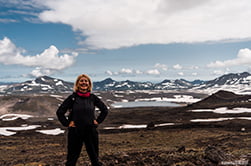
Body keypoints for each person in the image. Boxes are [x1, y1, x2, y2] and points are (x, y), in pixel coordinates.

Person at [56, 74, 108, 166]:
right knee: (72, 159)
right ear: (77, 84)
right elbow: (60, 112)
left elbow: (104, 110)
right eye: (81, 81)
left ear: (89, 84)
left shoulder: (92, 98)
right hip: (75, 131)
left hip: (90, 131)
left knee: (94, 158)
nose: (84, 82)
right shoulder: (72, 98)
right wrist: (67, 123)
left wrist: (98, 121)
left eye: (86, 81)